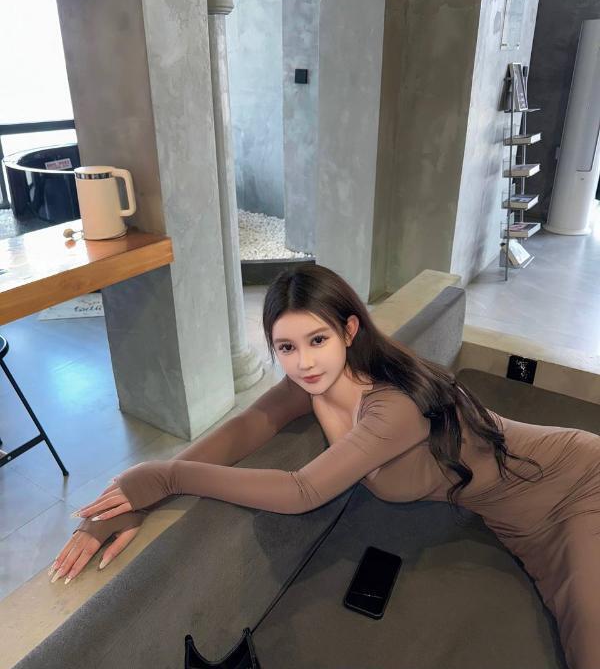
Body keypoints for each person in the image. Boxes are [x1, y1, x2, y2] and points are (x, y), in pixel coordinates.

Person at [50, 265, 600, 668]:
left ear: (350, 330)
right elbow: (246, 428)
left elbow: (303, 490)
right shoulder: (312, 384)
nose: (304, 362)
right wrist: (136, 502)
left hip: (577, 486)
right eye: (286, 347)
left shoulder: (394, 403)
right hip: (516, 520)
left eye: (317, 340)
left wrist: (166, 476)